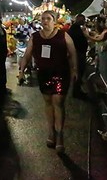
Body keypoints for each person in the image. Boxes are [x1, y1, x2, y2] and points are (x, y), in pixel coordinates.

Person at [18, 10, 78, 154]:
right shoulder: (35, 37)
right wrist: (21, 71)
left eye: (48, 19)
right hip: (43, 74)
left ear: (54, 20)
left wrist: (75, 69)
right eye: (43, 19)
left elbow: (73, 52)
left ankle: (60, 134)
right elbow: (27, 54)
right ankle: (51, 132)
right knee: (48, 103)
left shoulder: (63, 35)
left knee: (58, 101)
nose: (45, 21)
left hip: (60, 74)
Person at [67, 14, 89, 98]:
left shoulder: (75, 28)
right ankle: (76, 92)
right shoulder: (75, 29)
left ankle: (77, 90)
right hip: (77, 54)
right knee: (78, 73)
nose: (84, 21)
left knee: (78, 73)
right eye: (83, 19)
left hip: (78, 53)